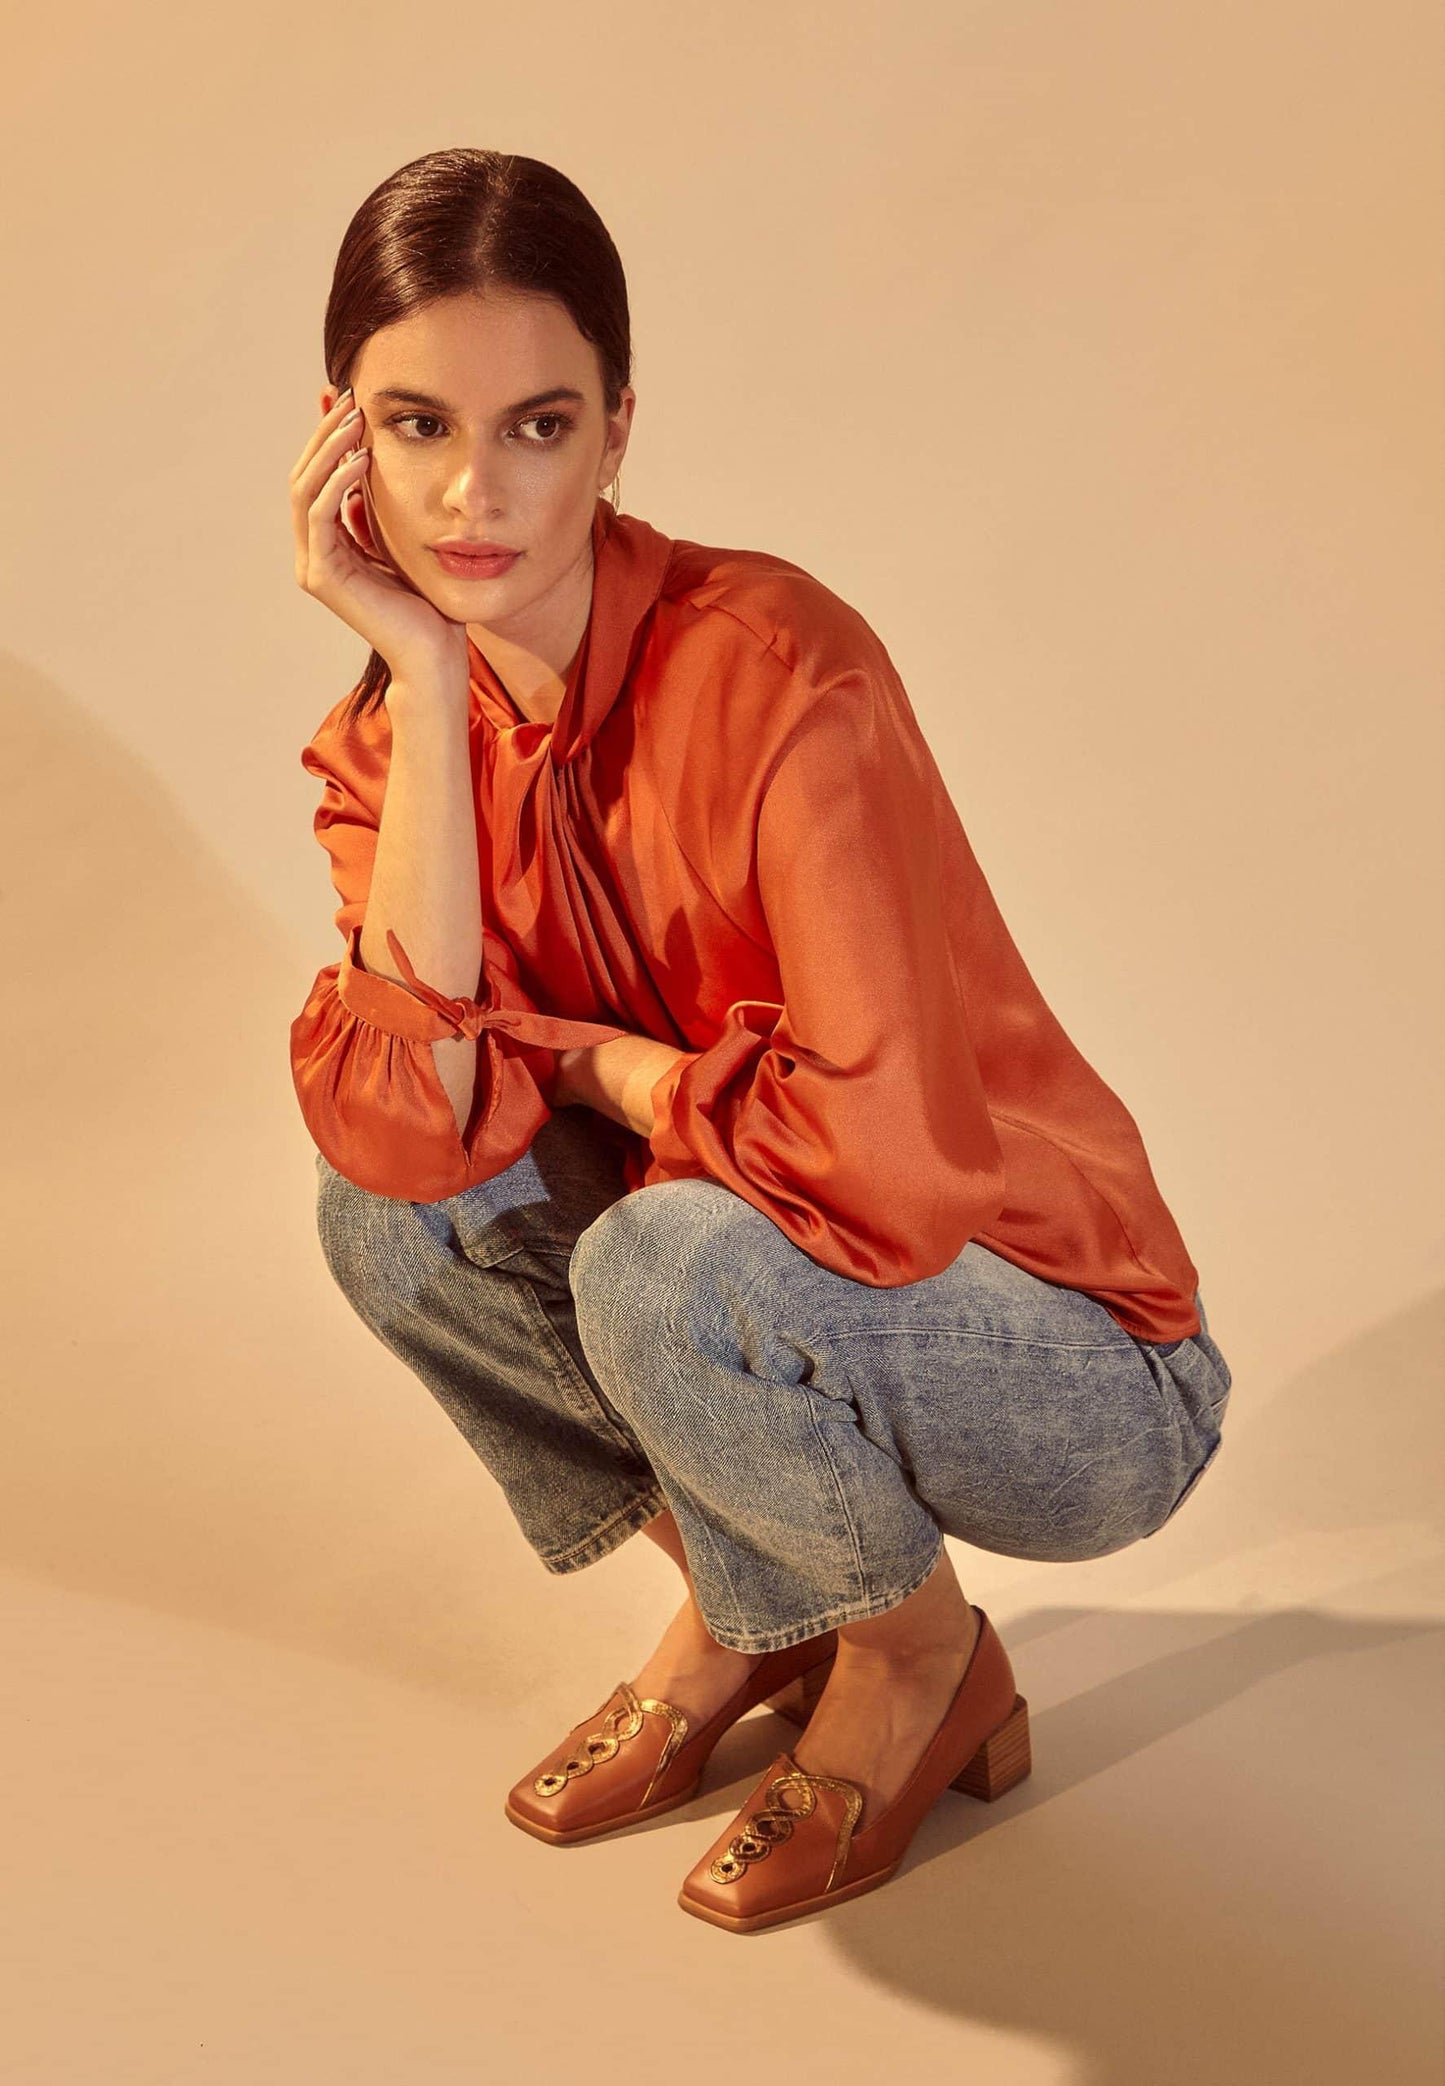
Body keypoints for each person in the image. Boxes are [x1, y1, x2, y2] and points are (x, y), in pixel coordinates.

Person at [287, 147, 1234, 1934]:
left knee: (660, 1258)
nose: (472, 489)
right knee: (389, 1219)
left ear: (621, 429)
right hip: (749, 1292)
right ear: (341, 440)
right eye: (416, 425)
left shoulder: (778, 664)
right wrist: (416, 672)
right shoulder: (387, 738)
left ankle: (911, 1656)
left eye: (539, 426)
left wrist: (610, 1068)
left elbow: (877, 1171)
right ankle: (753, 1601)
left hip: (1059, 1353)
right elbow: (410, 1131)